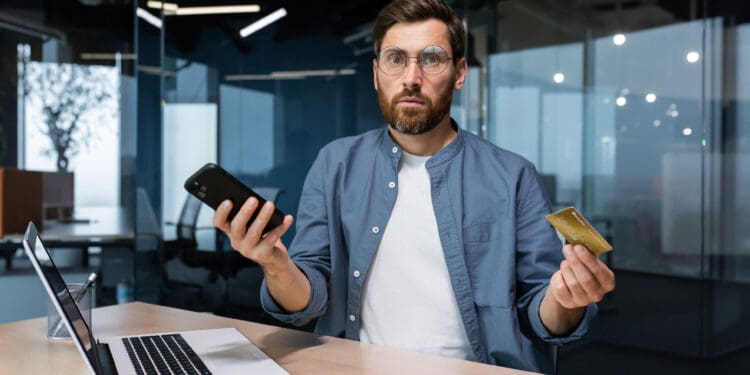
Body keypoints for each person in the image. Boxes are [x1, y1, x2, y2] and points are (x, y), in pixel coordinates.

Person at [213, 0, 615, 372]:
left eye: (431, 59)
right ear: (376, 73)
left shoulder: (513, 175)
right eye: (395, 59)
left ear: (459, 73)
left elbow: (540, 311)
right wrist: (276, 265)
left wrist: (566, 299)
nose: (411, 78)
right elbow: (308, 299)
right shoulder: (335, 164)